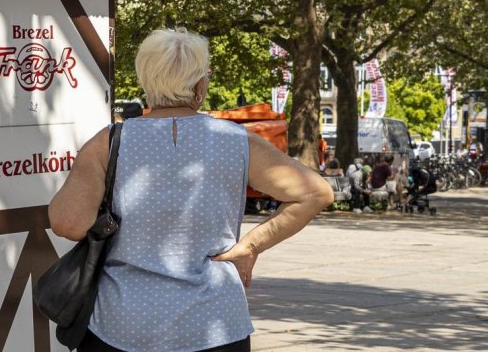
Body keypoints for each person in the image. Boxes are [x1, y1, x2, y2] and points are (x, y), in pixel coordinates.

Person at [49, 28, 332, 352]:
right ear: (200, 85)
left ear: (146, 79)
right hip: (215, 324)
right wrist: (251, 246)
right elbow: (316, 193)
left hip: (124, 325)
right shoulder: (237, 140)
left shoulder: (108, 142)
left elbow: (67, 223)